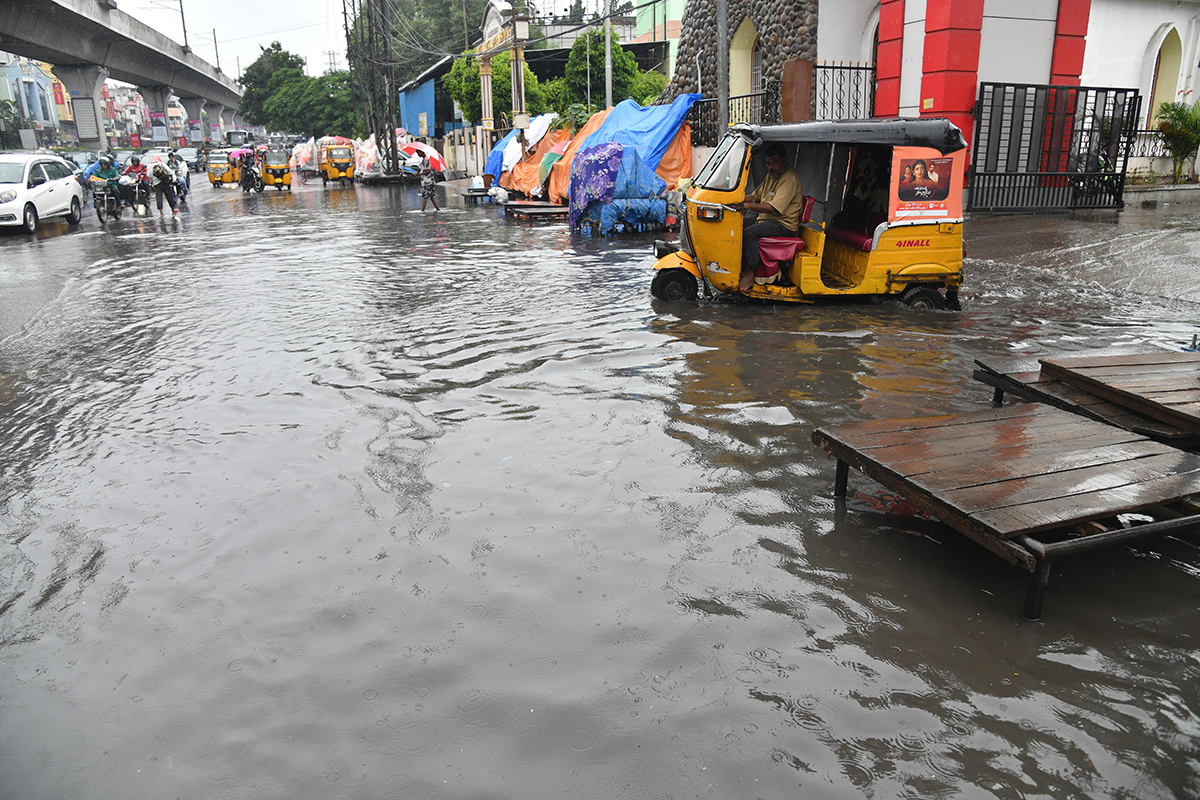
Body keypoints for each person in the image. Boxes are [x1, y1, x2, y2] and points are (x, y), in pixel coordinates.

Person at [738, 143, 803, 292]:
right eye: (768, 163)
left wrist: (745, 206)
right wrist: (736, 199)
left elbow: (774, 208)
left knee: (750, 233)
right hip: (766, 219)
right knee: (737, 224)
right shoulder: (770, 176)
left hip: (784, 225)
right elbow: (755, 196)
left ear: (784, 161)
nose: (771, 167)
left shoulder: (789, 179)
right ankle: (738, 265)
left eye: (775, 163)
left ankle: (750, 271)